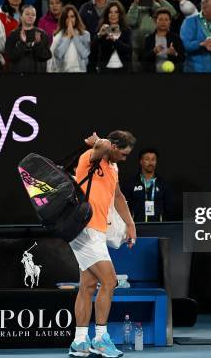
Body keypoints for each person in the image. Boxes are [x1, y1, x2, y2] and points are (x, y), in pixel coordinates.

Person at [68, 131, 137, 358]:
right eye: (124, 153)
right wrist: (98, 142)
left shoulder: (114, 167)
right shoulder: (91, 156)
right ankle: (100, 338)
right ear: (114, 147)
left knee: (88, 286)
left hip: (97, 231)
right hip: (84, 229)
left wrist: (130, 224)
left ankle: (79, 342)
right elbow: (103, 146)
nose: (125, 159)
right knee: (110, 280)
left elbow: (117, 196)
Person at [127, 0, 177, 67]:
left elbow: (172, 13)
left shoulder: (158, 6)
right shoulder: (135, 6)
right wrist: (135, 3)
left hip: (155, 48)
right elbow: (130, 21)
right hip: (137, 47)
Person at [122, 147, 173, 222]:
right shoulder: (130, 184)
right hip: (137, 228)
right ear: (141, 161)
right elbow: (123, 207)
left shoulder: (163, 184)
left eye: (153, 159)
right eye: (147, 159)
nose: (151, 162)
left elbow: (169, 209)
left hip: (159, 228)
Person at [5, 5, 51, 73]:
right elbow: (10, 56)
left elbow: (46, 56)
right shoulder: (13, 35)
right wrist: (22, 43)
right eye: (27, 14)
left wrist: (38, 44)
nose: (30, 16)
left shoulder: (42, 34)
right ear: (20, 16)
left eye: (33, 15)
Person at [90, 0, 132, 73]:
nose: (113, 15)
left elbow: (128, 50)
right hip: (105, 70)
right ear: (107, 14)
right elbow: (92, 49)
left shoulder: (126, 30)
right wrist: (99, 34)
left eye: (116, 12)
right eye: (110, 12)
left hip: (122, 70)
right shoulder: (102, 29)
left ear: (120, 14)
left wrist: (114, 40)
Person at [140, 7, 185, 72]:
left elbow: (182, 58)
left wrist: (175, 53)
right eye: (160, 19)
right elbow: (142, 59)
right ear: (155, 21)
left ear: (170, 22)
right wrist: (153, 51)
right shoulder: (148, 39)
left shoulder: (176, 38)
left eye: (166, 20)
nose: (163, 22)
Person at [48, 4, 90, 73]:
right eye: (67, 17)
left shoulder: (85, 34)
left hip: (80, 71)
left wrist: (74, 35)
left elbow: (85, 54)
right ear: (63, 20)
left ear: (76, 18)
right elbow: (58, 55)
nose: (70, 20)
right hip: (63, 72)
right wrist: (68, 37)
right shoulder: (58, 35)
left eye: (72, 17)